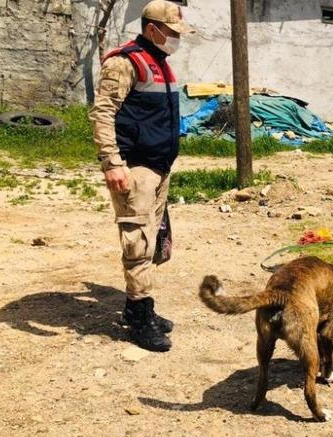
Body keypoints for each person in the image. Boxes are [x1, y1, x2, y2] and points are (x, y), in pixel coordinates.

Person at [88, 0, 194, 352]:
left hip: (159, 166)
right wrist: (112, 163)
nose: (176, 39)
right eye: (172, 33)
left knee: (151, 241)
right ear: (152, 30)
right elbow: (102, 114)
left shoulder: (160, 63)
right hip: (135, 166)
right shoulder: (124, 63)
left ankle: (142, 306)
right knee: (137, 243)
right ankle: (138, 320)